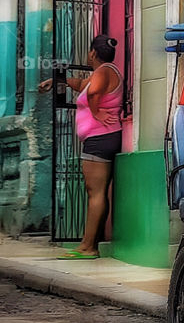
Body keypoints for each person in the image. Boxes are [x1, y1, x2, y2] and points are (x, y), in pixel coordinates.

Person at [39, 34, 123, 259]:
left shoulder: (104, 72)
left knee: (95, 193)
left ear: (93, 53)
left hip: (100, 138)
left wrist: (95, 111)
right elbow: (82, 85)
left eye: (89, 51)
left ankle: (88, 246)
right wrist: (58, 81)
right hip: (102, 138)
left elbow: (93, 92)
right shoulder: (103, 72)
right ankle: (91, 244)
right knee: (97, 192)